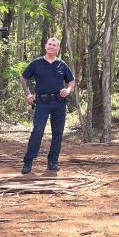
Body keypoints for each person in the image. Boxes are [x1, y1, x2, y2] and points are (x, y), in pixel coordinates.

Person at [20, 37, 74, 174]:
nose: (51, 47)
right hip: (42, 103)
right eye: (49, 44)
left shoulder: (62, 64)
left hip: (59, 103)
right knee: (37, 131)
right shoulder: (36, 63)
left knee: (57, 133)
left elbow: (71, 80)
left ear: (58, 48)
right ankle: (28, 162)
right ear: (45, 46)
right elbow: (24, 78)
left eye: (54, 45)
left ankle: (52, 162)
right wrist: (28, 94)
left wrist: (68, 90)